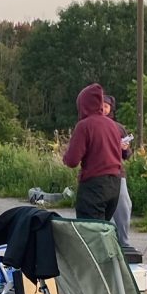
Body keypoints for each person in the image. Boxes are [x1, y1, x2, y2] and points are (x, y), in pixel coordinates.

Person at [62, 83, 124, 220]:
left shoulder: (84, 126)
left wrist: (65, 157)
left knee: (89, 232)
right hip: (115, 184)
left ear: (83, 105)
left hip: (94, 185)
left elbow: (72, 160)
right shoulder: (113, 125)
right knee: (102, 230)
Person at [103, 94, 135, 248]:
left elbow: (127, 155)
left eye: (106, 106)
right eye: (100, 105)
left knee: (123, 205)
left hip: (117, 172)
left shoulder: (118, 128)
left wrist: (126, 148)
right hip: (97, 173)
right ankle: (104, 244)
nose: (103, 108)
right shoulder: (88, 125)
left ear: (111, 109)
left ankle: (124, 242)